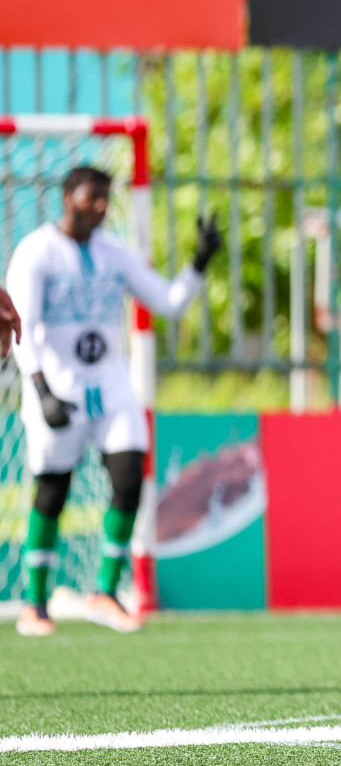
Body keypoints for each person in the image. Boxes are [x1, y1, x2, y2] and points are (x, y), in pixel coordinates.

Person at [7, 165, 221, 638]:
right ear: (68, 197)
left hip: (112, 389)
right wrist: (42, 391)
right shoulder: (35, 252)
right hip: (56, 389)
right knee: (52, 492)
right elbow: (23, 330)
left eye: (106, 198)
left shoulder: (113, 253)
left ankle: (104, 591)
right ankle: (34, 602)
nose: (101, 207)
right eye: (92, 197)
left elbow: (167, 302)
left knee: (129, 477)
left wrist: (200, 262)